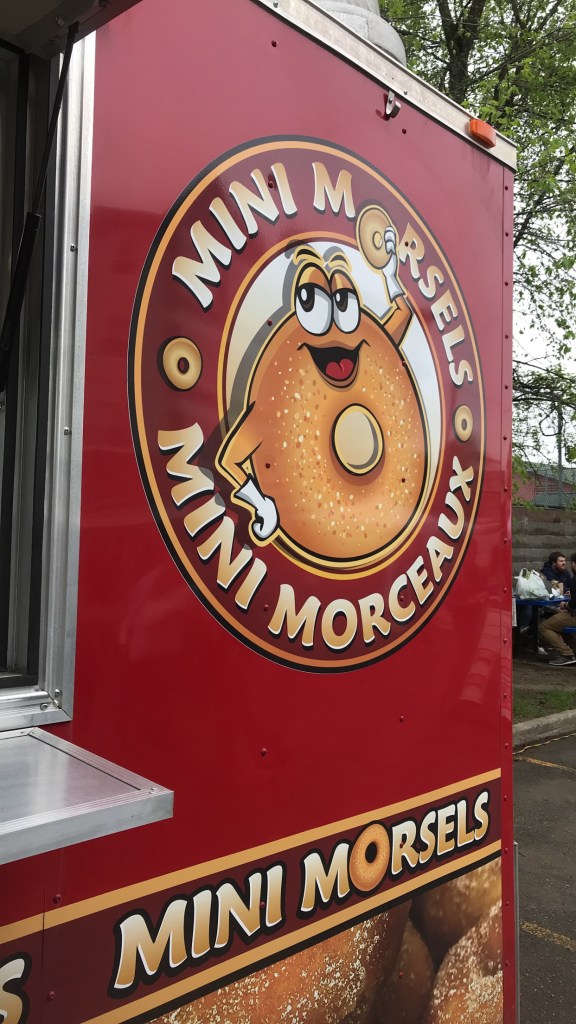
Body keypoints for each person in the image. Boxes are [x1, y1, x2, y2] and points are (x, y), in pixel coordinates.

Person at [539, 552, 576, 666]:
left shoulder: (573, 578)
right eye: (561, 561)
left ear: (573, 564)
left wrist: (565, 605)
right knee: (559, 622)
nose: (564, 563)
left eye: (565, 561)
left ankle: (567, 654)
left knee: (544, 626)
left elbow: (574, 603)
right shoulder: (547, 573)